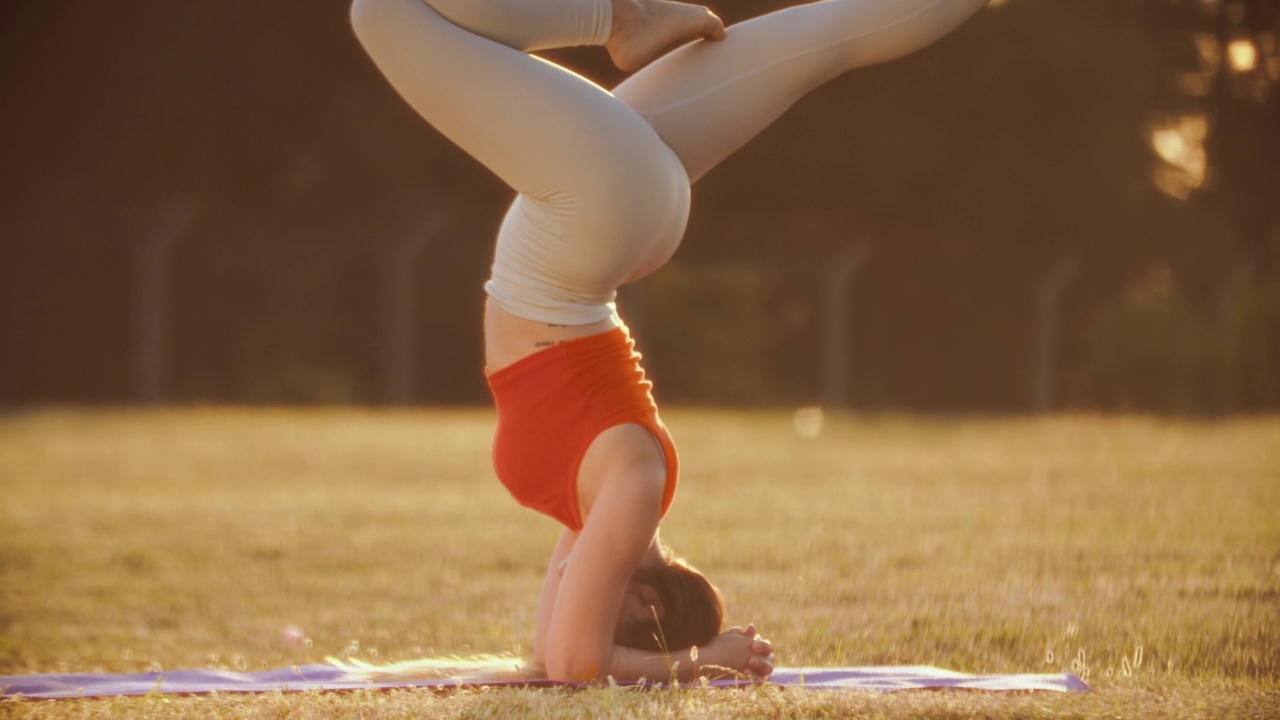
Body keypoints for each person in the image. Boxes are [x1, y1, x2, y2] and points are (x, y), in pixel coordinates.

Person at [345, 0, 987, 684]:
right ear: (647, 598)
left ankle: (618, 19)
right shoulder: (634, 490)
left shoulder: (595, 507)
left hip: (615, 209)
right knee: (382, 12)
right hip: (595, 206)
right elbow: (575, 663)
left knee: (818, 47)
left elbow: (550, 654)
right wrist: (707, 661)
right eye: (601, 606)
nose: (573, 595)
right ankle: (615, 18)